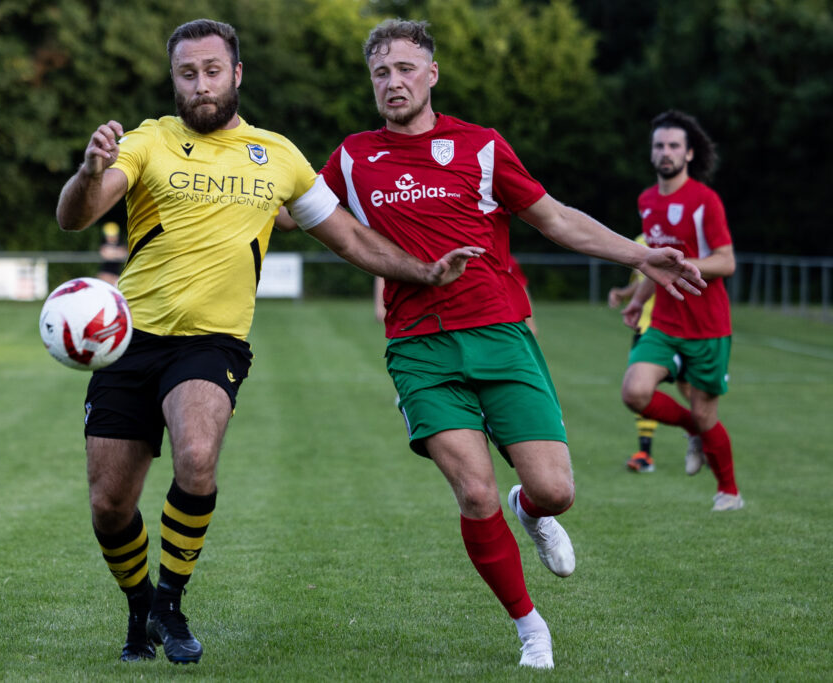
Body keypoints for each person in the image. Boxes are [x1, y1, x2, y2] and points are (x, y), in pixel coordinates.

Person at [54, 18, 482, 665]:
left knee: (197, 454)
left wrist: (420, 270)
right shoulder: (148, 142)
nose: (200, 84)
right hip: (128, 340)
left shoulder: (277, 156)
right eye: (187, 73)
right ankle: (140, 606)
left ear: (237, 74)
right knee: (110, 504)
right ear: (174, 79)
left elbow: (349, 236)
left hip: (213, 341)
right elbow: (74, 215)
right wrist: (90, 172)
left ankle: (170, 600)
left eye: (212, 71)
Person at [284, 19, 704, 670]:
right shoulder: (353, 157)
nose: (392, 82)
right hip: (419, 347)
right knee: (474, 492)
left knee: (555, 490)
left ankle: (530, 509)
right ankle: (531, 628)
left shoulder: (481, 147)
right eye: (380, 73)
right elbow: (292, 207)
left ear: (432, 74)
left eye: (403, 68)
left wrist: (646, 254)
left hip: (502, 335)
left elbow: (557, 218)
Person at [620, 110, 742, 511]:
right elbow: (653, 263)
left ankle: (729, 493)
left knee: (709, 415)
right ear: (651, 152)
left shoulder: (705, 200)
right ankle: (692, 429)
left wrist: (685, 265)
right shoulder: (646, 200)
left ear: (689, 153)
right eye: (659, 145)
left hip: (708, 328)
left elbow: (726, 262)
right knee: (635, 391)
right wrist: (638, 302)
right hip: (666, 324)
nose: (665, 152)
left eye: (674, 145)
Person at [608, 234, 693, 473]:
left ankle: (704, 436)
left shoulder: (679, 239)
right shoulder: (642, 240)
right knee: (642, 390)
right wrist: (625, 294)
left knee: (691, 390)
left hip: (677, 330)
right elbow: (643, 280)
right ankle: (645, 452)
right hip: (647, 329)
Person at [376, 253, 536, 333]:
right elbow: (385, 270)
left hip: (487, 325)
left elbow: (520, 287)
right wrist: (380, 307)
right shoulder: (427, 249)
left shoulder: (501, 258)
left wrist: (530, 324)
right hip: (425, 324)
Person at [96, 221, 128, 286]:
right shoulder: (103, 244)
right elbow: (105, 255)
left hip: (116, 275)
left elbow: (124, 254)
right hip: (105, 274)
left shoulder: (120, 244)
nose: (111, 238)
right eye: (109, 236)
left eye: (113, 236)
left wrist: (112, 253)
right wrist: (117, 253)